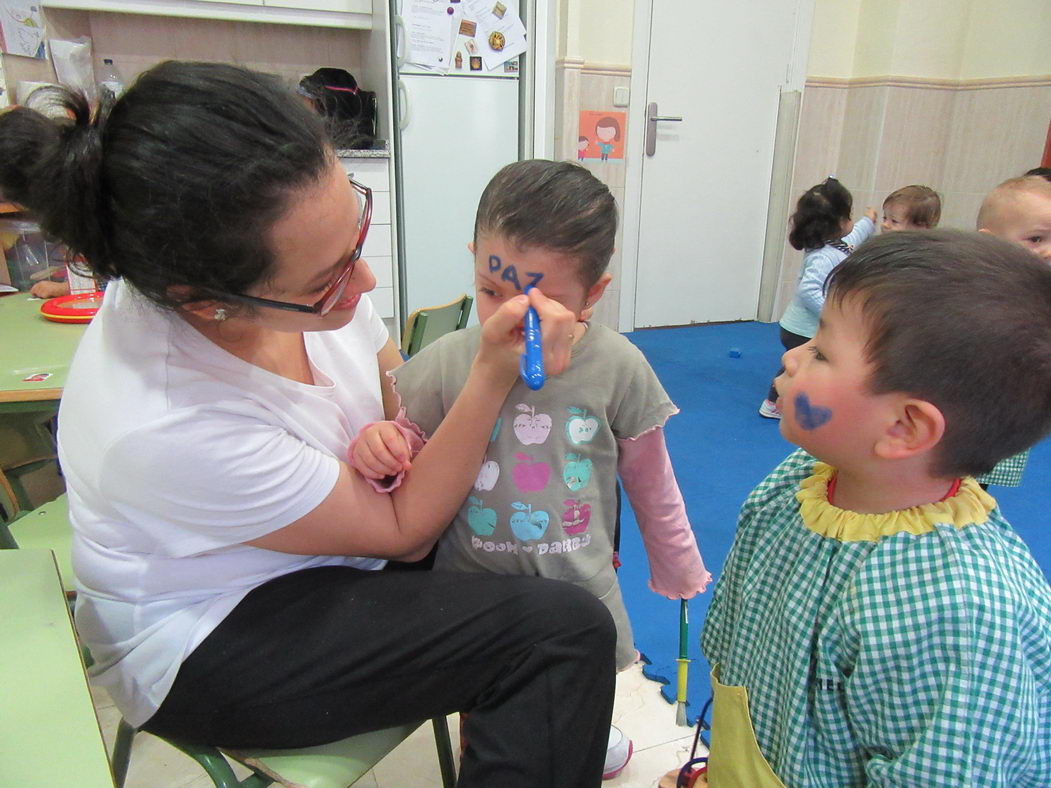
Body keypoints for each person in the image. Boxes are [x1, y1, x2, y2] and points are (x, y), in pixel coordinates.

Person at [0, 61, 619, 788]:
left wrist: (411, 429)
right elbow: (404, 528)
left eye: (356, 232)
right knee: (559, 635)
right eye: (327, 278)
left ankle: (540, 718)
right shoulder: (163, 421)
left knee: (515, 530)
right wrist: (488, 372)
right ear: (205, 302)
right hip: (213, 636)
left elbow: (403, 406)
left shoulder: (292, 271)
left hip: (332, 549)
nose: (364, 285)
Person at [350, 159, 712, 780]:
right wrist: (383, 448)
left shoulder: (618, 366)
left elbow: (652, 481)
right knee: (493, 705)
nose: (511, 318)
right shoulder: (451, 359)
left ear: (593, 293)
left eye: (543, 304)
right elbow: (412, 442)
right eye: (493, 291)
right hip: (473, 586)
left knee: (580, 686)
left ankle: (585, 741)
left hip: (577, 575)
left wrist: (677, 564)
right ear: (475, 260)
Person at [702, 230, 1051, 787]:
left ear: (904, 427)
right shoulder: (804, 480)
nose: (792, 358)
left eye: (820, 351)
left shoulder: (960, 615)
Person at [759, 177, 876, 419]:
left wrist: (869, 221)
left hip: (802, 326)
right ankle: (772, 403)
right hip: (802, 329)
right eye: (850, 214)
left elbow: (854, 239)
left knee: (807, 365)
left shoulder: (834, 246)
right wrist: (833, 315)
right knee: (799, 367)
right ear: (838, 223)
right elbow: (808, 289)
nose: (852, 220)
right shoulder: (824, 256)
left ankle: (794, 398)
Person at [971, 174, 1051, 489]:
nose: (1048, 251)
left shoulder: (1038, 291)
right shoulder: (970, 290)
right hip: (957, 416)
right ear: (990, 241)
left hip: (1002, 419)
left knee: (974, 491)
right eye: (1036, 239)